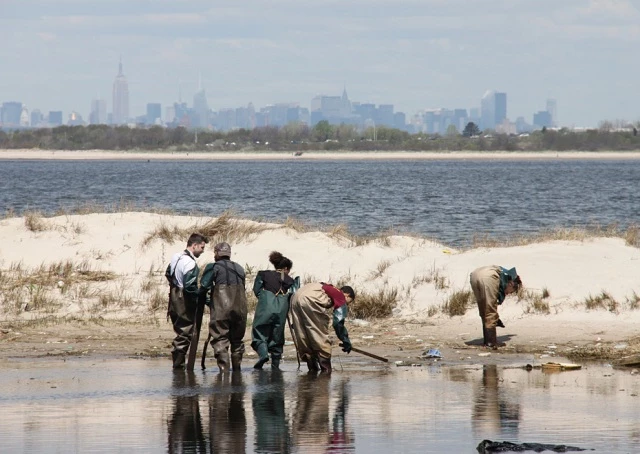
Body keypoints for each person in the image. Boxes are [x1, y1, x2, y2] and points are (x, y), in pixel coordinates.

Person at [200, 242, 247, 373]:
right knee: (237, 341)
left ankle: (224, 373)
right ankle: (237, 372)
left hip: (221, 309)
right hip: (241, 310)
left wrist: (207, 301)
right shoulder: (240, 268)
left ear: (216, 253)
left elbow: (204, 286)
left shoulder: (213, 267)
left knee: (220, 339)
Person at [289, 282, 354, 373]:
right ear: (347, 295)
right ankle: (326, 371)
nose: (346, 304)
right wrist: (345, 340)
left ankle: (312, 369)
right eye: (349, 302)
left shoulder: (327, 286)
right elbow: (338, 323)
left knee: (303, 335)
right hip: (309, 299)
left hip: (295, 297)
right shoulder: (340, 295)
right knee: (319, 335)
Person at [165, 233, 209, 369]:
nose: (202, 251)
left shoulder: (176, 256)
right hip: (182, 299)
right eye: (201, 247)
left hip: (173, 296)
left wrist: (176, 286)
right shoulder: (190, 263)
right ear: (194, 245)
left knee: (180, 330)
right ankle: (178, 367)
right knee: (184, 332)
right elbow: (190, 286)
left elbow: (168, 273)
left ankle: (178, 367)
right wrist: (202, 298)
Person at [251, 251, 298, 370]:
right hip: (281, 310)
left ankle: (263, 355)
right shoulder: (289, 279)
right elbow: (294, 294)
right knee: (277, 335)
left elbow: (257, 290)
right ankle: (275, 367)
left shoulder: (264, 274)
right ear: (286, 268)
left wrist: (265, 299)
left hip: (265, 307)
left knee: (260, 331)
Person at [470, 265, 522, 349]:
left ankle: (486, 341)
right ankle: (491, 343)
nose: (509, 294)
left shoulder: (504, 275)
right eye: (511, 291)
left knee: (483, 309)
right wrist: (494, 317)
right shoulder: (507, 279)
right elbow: (491, 307)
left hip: (474, 275)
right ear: (511, 284)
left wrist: (496, 318)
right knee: (490, 312)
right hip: (488, 277)